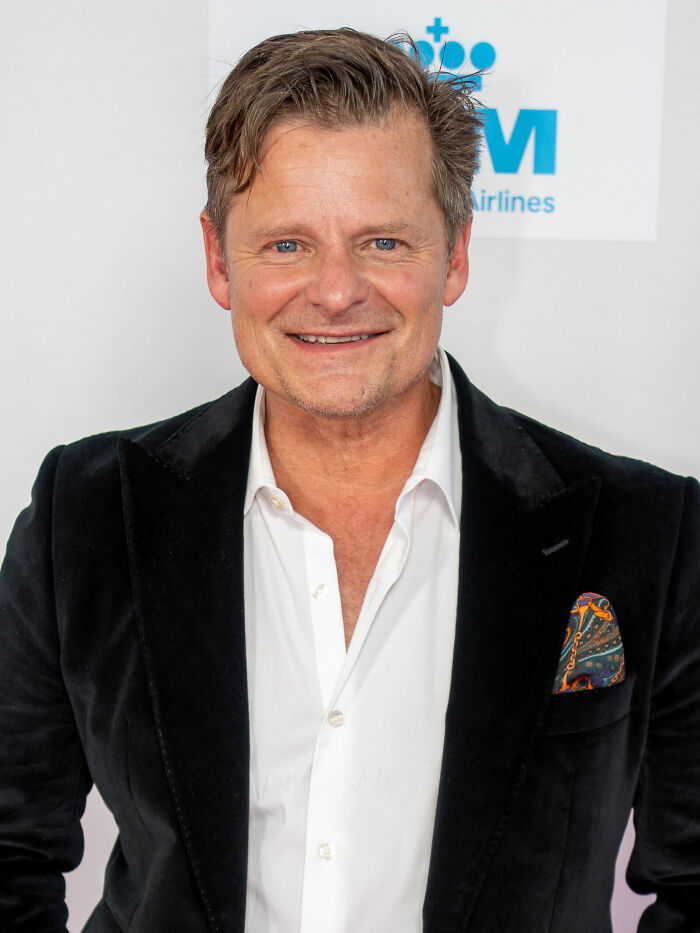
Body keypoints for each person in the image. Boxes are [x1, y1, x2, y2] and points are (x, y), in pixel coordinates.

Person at [0, 26, 698, 933]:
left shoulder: (647, 534)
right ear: (219, 259)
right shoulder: (86, 514)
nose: (335, 291)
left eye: (382, 241)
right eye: (287, 244)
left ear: (454, 255)